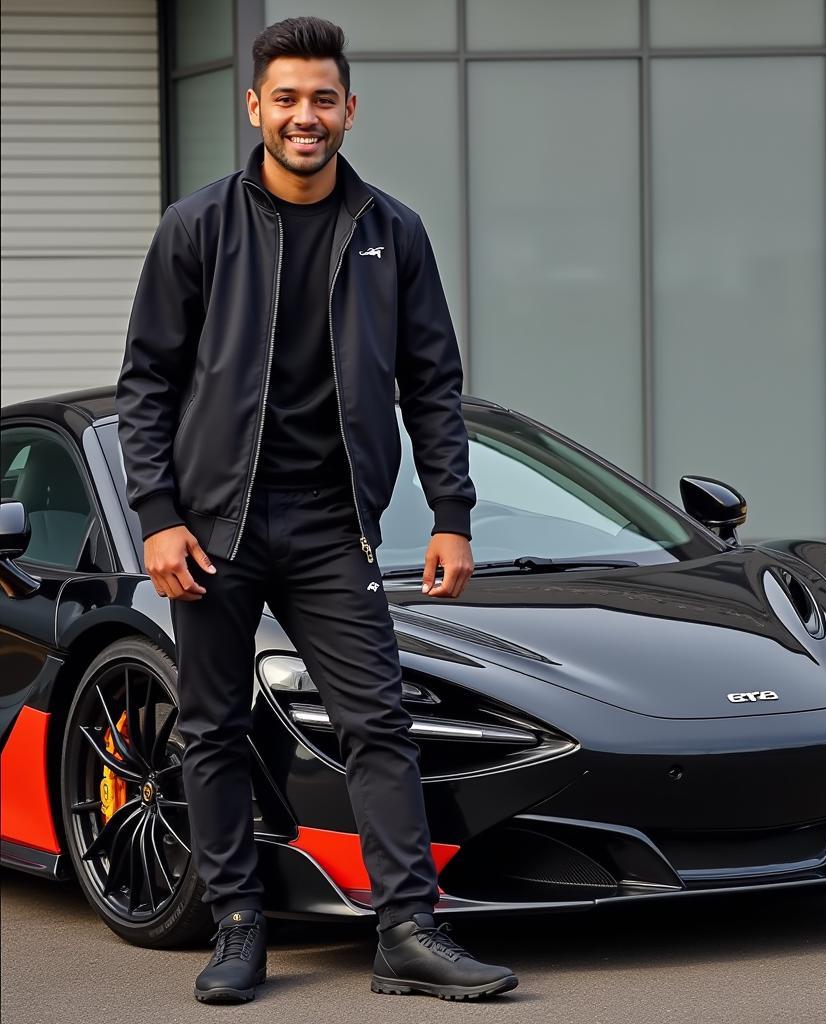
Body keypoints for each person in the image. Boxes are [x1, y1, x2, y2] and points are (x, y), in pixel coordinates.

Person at [115, 15, 518, 1006]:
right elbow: (147, 383)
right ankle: (239, 923)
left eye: (322, 98)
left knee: (378, 723)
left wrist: (451, 514)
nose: (305, 115)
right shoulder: (197, 227)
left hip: (332, 524)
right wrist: (158, 514)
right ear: (255, 107)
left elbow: (432, 384)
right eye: (285, 98)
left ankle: (409, 932)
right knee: (208, 726)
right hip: (214, 528)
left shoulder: (393, 232)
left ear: (348, 109)